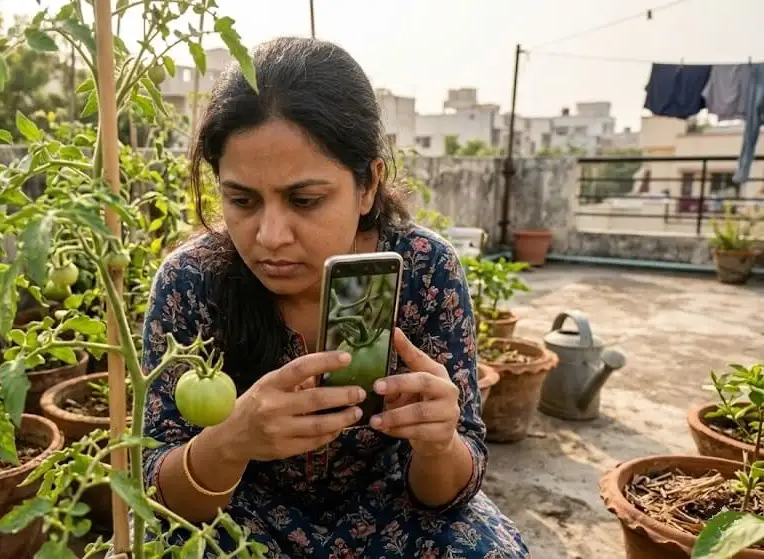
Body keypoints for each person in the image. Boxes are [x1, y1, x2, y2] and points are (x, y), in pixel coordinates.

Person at [140, 36, 530, 558]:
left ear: (368, 184)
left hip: (392, 511)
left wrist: (438, 441)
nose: (270, 235)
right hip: (244, 514)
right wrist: (231, 442)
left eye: (305, 200)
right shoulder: (191, 283)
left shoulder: (426, 270)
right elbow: (159, 493)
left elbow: (447, 493)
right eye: (242, 200)